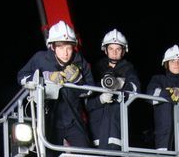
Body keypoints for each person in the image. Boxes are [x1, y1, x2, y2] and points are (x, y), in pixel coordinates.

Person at [17, 20, 94, 148]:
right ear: (53, 46)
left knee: (86, 154)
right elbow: (21, 77)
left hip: (73, 119)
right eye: (61, 47)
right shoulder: (40, 59)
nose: (65, 53)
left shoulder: (80, 61)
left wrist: (78, 80)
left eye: (69, 47)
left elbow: (91, 90)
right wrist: (45, 77)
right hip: (50, 119)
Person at [86, 29, 141, 150]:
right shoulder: (96, 69)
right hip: (96, 128)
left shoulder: (128, 69)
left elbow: (135, 90)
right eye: (111, 48)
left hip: (117, 127)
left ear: (123, 51)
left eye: (118, 49)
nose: (114, 52)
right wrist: (100, 99)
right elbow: (86, 103)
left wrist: (120, 85)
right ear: (105, 50)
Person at [147, 45, 179, 150]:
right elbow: (150, 96)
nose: (176, 64)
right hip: (163, 134)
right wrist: (170, 92)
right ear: (166, 64)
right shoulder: (158, 80)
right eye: (172, 61)